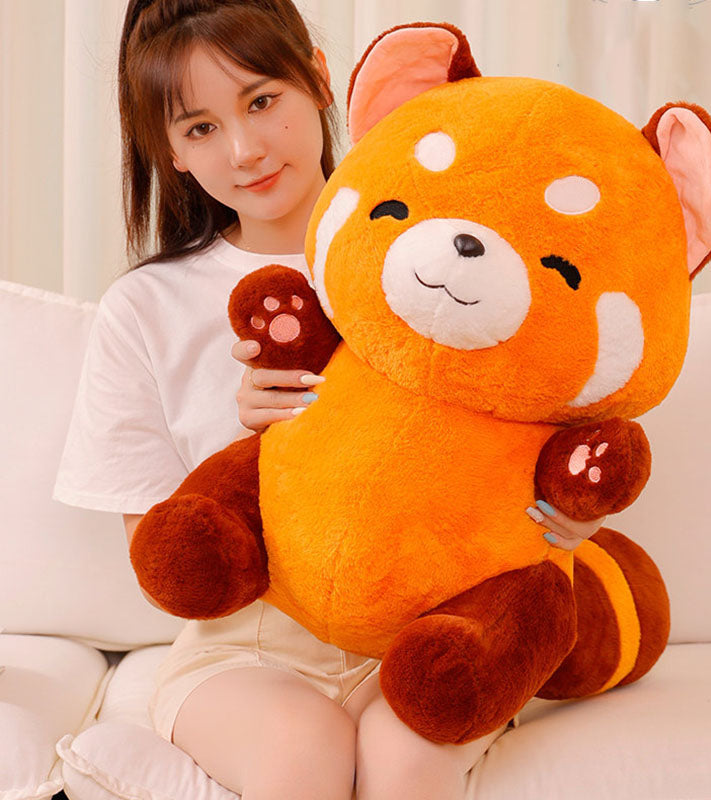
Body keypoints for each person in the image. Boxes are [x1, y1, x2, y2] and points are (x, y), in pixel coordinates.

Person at [54, 2, 605, 798]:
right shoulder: (145, 309)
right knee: (300, 755)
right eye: (200, 128)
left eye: (261, 101)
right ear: (169, 151)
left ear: (317, 78)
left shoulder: (439, 258)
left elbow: (536, 417)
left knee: (406, 754)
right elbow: (161, 551)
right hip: (246, 647)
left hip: (439, 624)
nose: (244, 150)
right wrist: (252, 442)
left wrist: (569, 513)